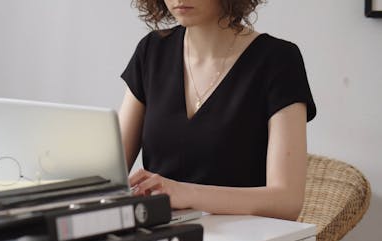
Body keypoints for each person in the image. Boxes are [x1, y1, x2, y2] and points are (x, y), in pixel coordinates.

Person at [119, 0, 316, 220]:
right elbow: (109, 173)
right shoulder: (151, 51)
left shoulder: (278, 60)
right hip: (160, 234)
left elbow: (287, 201)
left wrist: (185, 193)